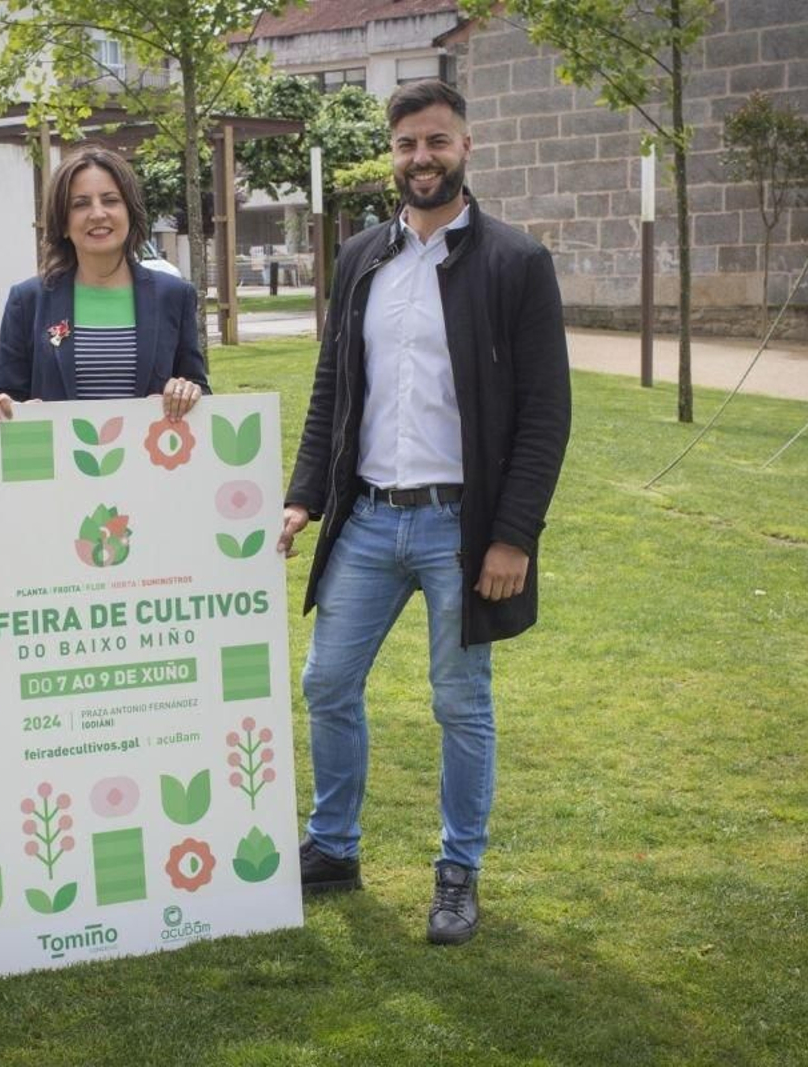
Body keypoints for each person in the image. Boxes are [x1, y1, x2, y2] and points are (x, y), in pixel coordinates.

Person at [277, 80, 571, 945]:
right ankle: (333, 846)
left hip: (461, 525)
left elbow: (545, 413)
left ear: (466, 147)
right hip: (367, 519)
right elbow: (334, 388)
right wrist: (303, 496)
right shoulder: (362, 257)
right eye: (407, 145)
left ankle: (456, 871)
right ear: (392, 154)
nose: (421, 159)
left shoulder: (517, 263)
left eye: (436, 142)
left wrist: (514, 533)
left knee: (459, 701)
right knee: (326, 683)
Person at [0, 145, 209, 422]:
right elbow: (5, 397)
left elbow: (201, 395)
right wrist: (1, 405)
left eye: (110, 200)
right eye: (80, 204)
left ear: (130, 212)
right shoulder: (28, 300)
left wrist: (188, 391)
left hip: (152, 460)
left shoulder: (175, 296)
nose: (97, 213)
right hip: (57, 464)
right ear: (63, 223)